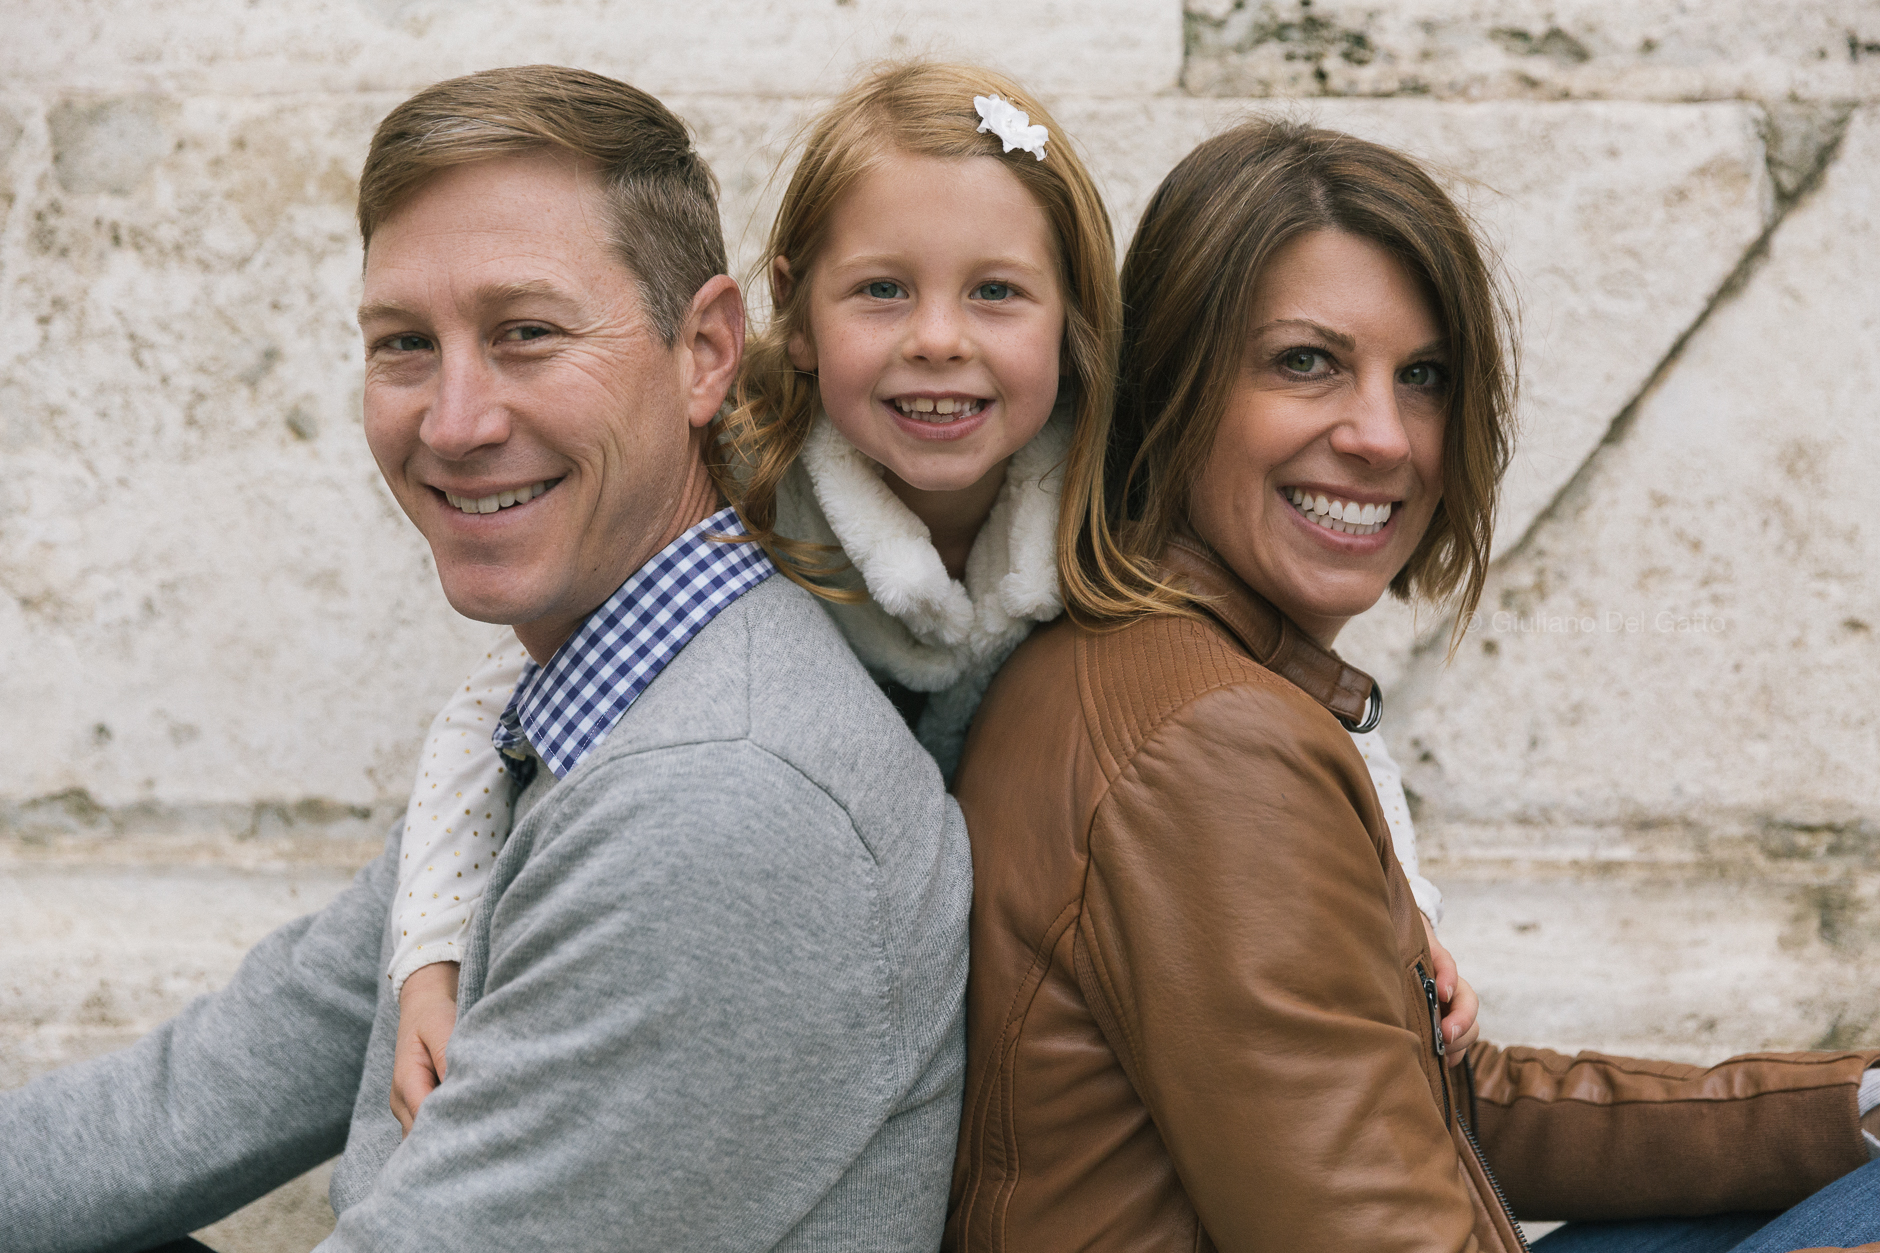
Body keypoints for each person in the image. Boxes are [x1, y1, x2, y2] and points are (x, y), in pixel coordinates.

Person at [388, 60, 1478, 1128]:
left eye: (996, 292)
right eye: (882, 290)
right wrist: (429, 952)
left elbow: (1300, 696)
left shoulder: (1104, 503)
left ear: (1072, 320)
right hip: (791, 982)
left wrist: (1406, 904)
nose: (939, 339)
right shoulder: (745, 486)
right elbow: (505, 703)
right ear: (795, 312)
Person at [0, 65, 970, 1252]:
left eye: (526, 334)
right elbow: (186, 1102)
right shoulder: (562, 707)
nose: (454, 422)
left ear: (705, 350)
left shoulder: (721, 794)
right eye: (405, 344)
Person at [944, 118, 1880, 1252]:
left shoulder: (1157, 665)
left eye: (1424, 377)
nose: (1385, 436)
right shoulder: (1213, 746)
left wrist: (1856, 1105)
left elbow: (1435, 1104)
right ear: (1171, 382)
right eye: (1306, 361)